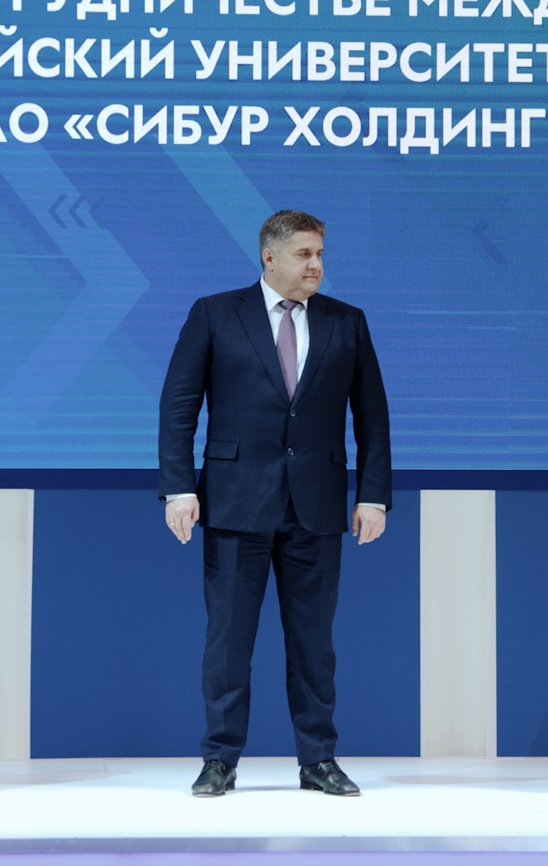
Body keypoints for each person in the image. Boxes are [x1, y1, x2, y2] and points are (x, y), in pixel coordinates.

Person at [158, 209, 392, 798]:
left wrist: (373, 496)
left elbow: (372, 418)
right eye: (304, 254)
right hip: (236, 503)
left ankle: (318, 760)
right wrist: (180, 488)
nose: (316, 266)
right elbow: (179, 406)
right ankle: (219, 760)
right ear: (270, 257)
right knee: (228, 643)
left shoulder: (347, 321)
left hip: (316, 506)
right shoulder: (215, 313)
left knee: (314, 645)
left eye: (320, 255)